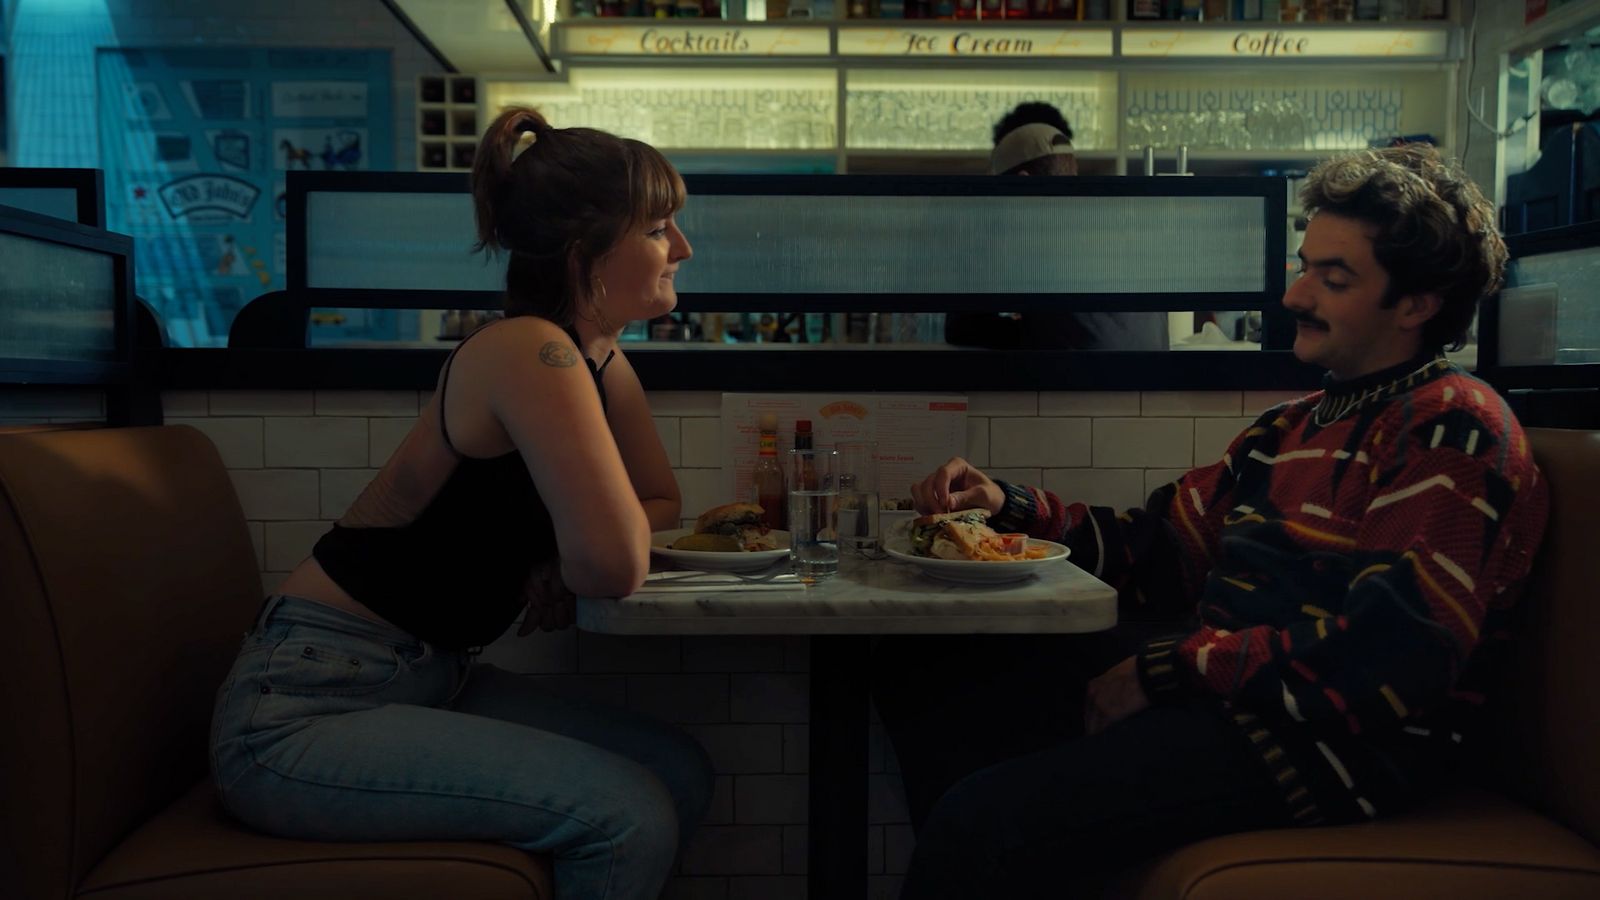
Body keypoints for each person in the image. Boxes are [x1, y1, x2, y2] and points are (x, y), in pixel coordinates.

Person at [875, 144, 1551, 898]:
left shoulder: (1453, 428)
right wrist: (1009, 507)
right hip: (1235, 704)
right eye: (1305, 266)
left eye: (1334, 279)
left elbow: (1393, 657)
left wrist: (1172, 670)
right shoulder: (1292, 426)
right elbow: (1162, 547)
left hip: (1332, 749)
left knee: (981, 820)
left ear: (1418, 303)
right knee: (927, 662)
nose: (1296, 295)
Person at [209, 106, 713, 900]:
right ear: (587, 249)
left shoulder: (593, 355)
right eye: (658, 229)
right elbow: (614, 564)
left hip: (424, 676)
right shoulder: (530, 351)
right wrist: (578, 551)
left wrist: (557, 553)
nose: (681, 248)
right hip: (303, 712)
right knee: (630, 815)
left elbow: (657, 501)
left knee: (676, 769)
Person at [945, 102, 1170, 352]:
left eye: (1000, 192)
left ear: (1022, 184)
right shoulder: (1121, 221)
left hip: (1076, 386)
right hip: (1150, 384)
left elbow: (962, 328)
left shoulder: (1033, 233)